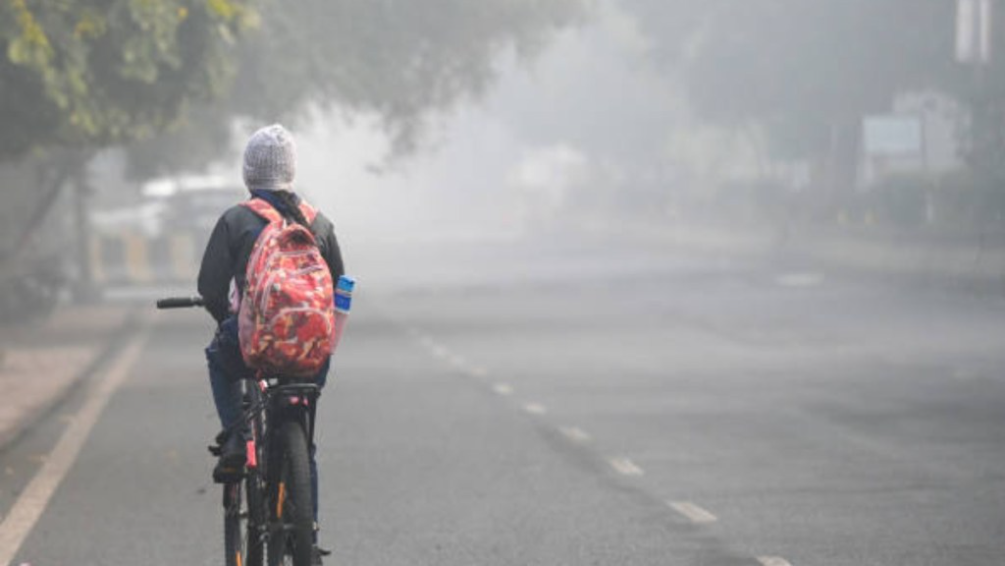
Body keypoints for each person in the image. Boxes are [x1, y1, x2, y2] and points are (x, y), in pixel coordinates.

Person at [197, 124, 344, 562]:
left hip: (254, 348)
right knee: (305, 437)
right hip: (311, 355)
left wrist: (233, 323)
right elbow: (340, 283)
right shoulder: (319, 222)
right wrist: (326, 334)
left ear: (249, 173)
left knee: (218, 358)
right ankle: (309, 535)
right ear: (291, 172)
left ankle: (236, 442)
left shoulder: (236, 220)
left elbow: (209, 288)